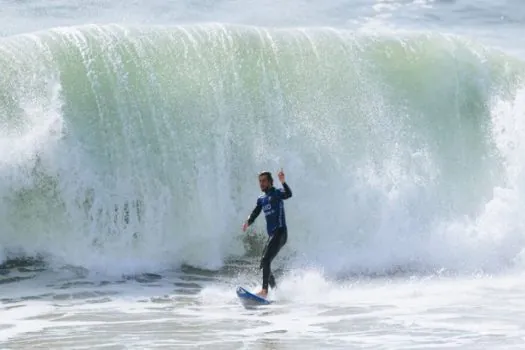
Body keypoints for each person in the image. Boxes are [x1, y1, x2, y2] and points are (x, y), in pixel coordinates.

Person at [242, 168, 293, 298]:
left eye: (264, 181)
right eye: (260, 181)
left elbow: (288, 194)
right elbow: (255, 212)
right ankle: (275, 291)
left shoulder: (277, 193)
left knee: (265, 260)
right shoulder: (261, 199)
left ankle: (264, 291)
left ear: (271, 182)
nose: (262, 183)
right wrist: (248, 222)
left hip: (281, 232)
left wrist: (283, 182)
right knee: (264, 263)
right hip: (273, 235)